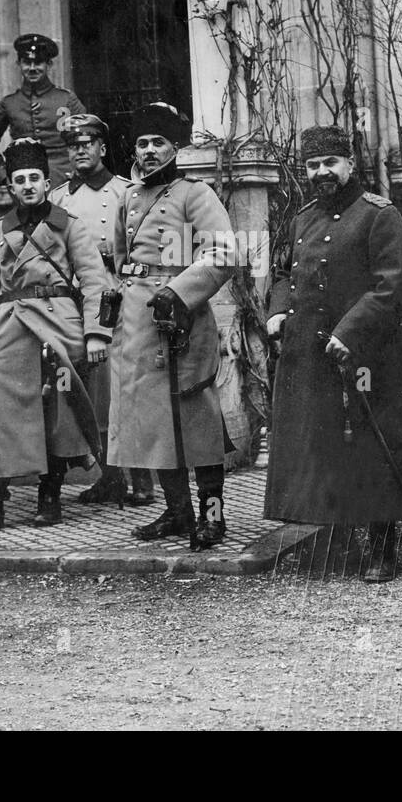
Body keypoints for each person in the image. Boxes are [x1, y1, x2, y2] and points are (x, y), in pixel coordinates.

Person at [263, 126, 402, 582]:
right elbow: (283, 272)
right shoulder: (302, 218)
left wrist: (350, 332)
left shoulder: (379, 214)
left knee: (373, 448)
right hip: (310, 352)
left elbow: (393, 286)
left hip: (366, 353)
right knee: (323, 446)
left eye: (330, 163)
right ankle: (337, 542)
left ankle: (382, 550)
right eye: (313, 165)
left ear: (350, 164)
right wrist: (278, 312)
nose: (322, 173)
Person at [0, 139, 113, 533]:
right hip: (10, 328)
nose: (27, 186)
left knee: (56, 415)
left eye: (34, 178)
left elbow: (95, 283)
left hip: (58, 325)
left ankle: (50, 495)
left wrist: (96, 333)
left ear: (47, 183)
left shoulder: (70, 226)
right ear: (10, 187)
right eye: (19, 180)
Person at [110, 103, 237, 549]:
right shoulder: (129, 197)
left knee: (195, 419)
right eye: (142, 143)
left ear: (175, 147)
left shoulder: (194, 195)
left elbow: (223, 254)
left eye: (157, 142)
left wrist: (179, 292)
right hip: (138, 325)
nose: (148, 151)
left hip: (181, 319)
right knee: (153, 421)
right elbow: (125, 261)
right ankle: (178, 513)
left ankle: (213, 515)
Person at [49, 114, 152, 506]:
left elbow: (141, 245)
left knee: (129, 389)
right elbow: (56, 250)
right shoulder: (59, 200)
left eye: (87, 143)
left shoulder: (125, 192)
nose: (79, 150)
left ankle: (141, 480)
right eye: (73, 145)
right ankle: (109, 478)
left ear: (102, 148)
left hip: (120, 298)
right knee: (96, 394)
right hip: (78, 302)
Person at [0, 33, 86, 189]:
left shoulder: (67, 100)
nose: (32, 68)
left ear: (49, 64)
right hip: (26, 189)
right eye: (27, 62)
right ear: (18, 64)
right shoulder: (9, 103)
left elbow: (89, 138)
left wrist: (78, 172)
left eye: (38, 62)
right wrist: (5, 177)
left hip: (66, 185)